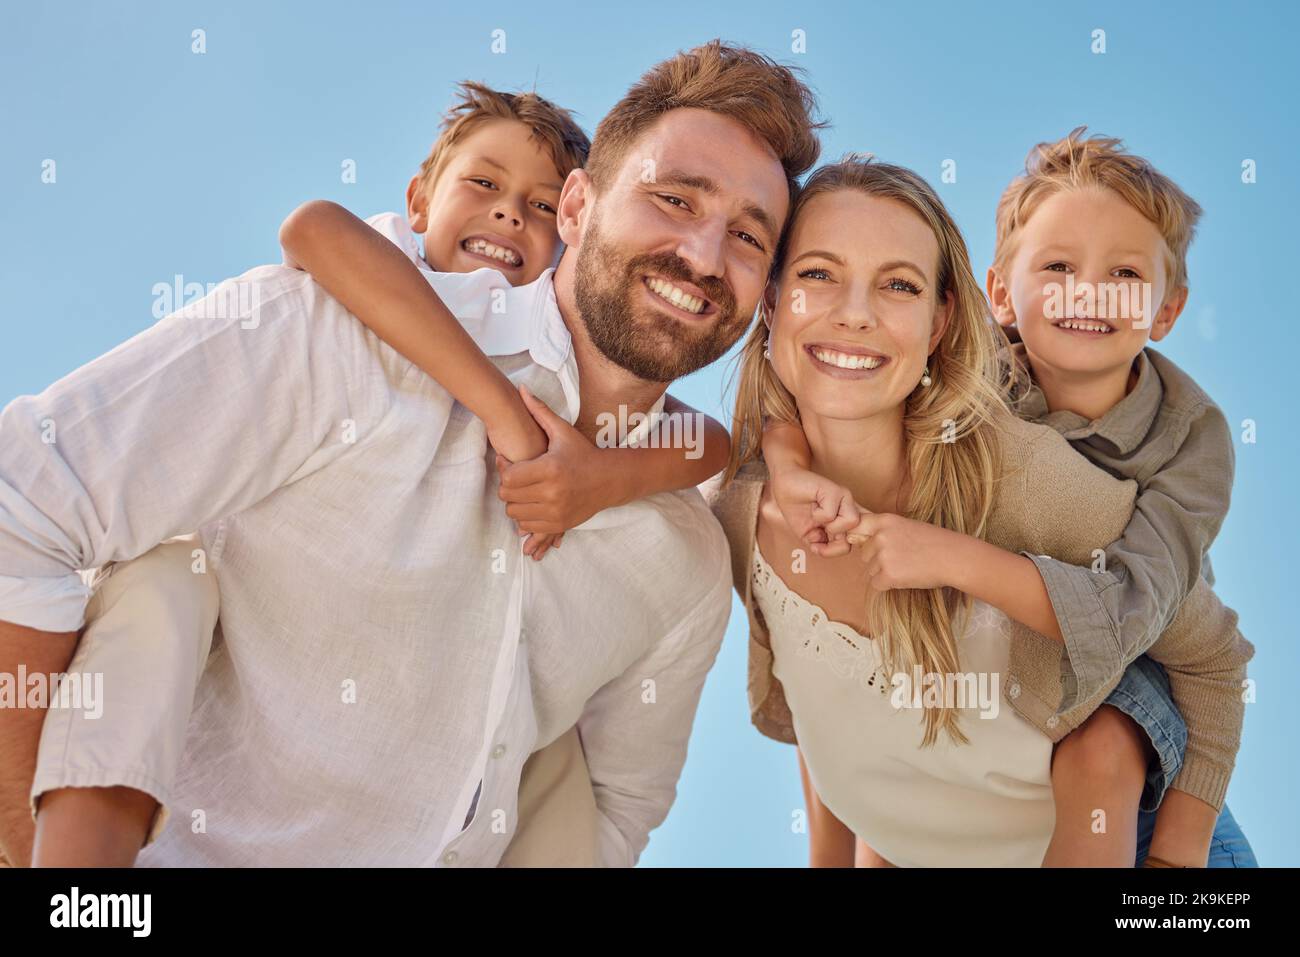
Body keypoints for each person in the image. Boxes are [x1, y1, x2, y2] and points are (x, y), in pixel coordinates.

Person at [0, 40, 822, 867]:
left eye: (749, 238)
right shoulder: (332, 338)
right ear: (576, 209)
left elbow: (617, 808)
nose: (705, 256)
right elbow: (22, 505)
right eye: (675, 199)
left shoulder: (680, 559)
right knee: (158, 584)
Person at [706, 155, 1254, 867]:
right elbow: (834, 711)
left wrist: (1177, 859)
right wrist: (784, 462)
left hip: (1145, 761)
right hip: (950, 830)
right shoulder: (754, 502)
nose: (1088, 295)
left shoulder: (1170, 446)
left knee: (1113, 734)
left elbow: (1196, 646)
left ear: (941, 322)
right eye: (818, 273)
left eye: (1125, 276)